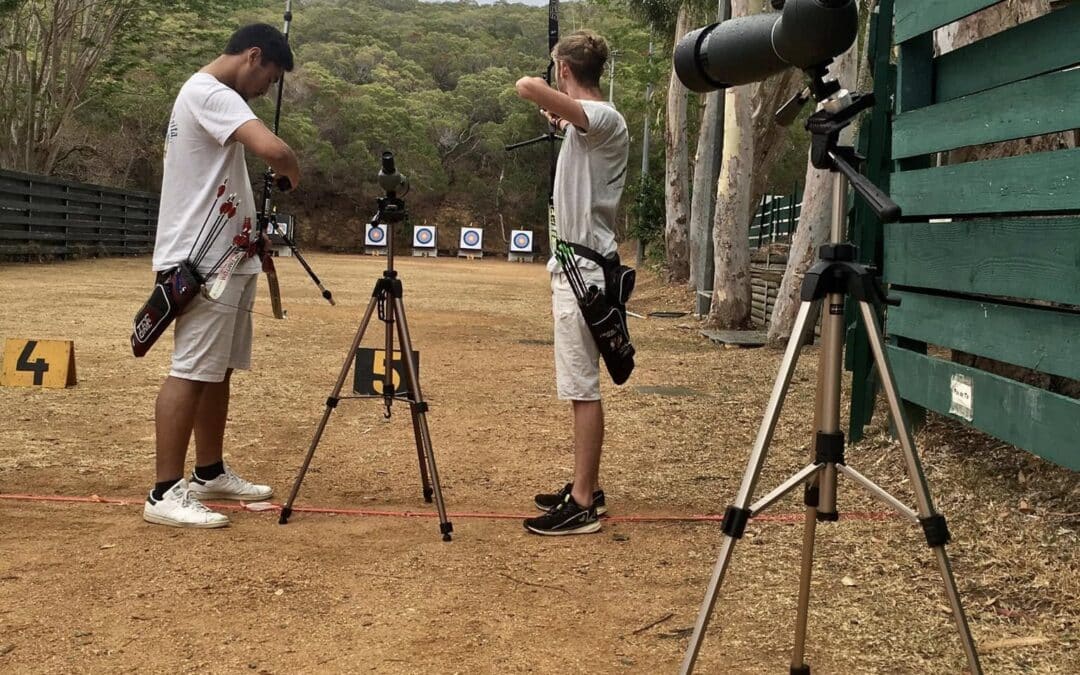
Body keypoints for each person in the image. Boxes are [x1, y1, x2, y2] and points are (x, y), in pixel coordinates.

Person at [142, 24, 301, 528]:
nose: (265, 90)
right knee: (191, 369)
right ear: (252, 56)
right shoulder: (209, 92)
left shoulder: (209, 95)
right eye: (269, 78)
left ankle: (208, 472)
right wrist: (292, 170)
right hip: (204, 261)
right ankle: (164, 492)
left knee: (218, 368)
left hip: (227, 257)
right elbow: (274, 151)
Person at [515, 30, 629, 535]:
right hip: (579, 264)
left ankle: (583, 502)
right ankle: (587, 486)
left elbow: (524, 86)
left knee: (582, 388)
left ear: (564, 70)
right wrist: (561, 111)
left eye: (556, 67)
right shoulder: (592, 124)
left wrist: (549, 90)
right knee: (579, 385)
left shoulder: (603, 116)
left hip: (583, 270)